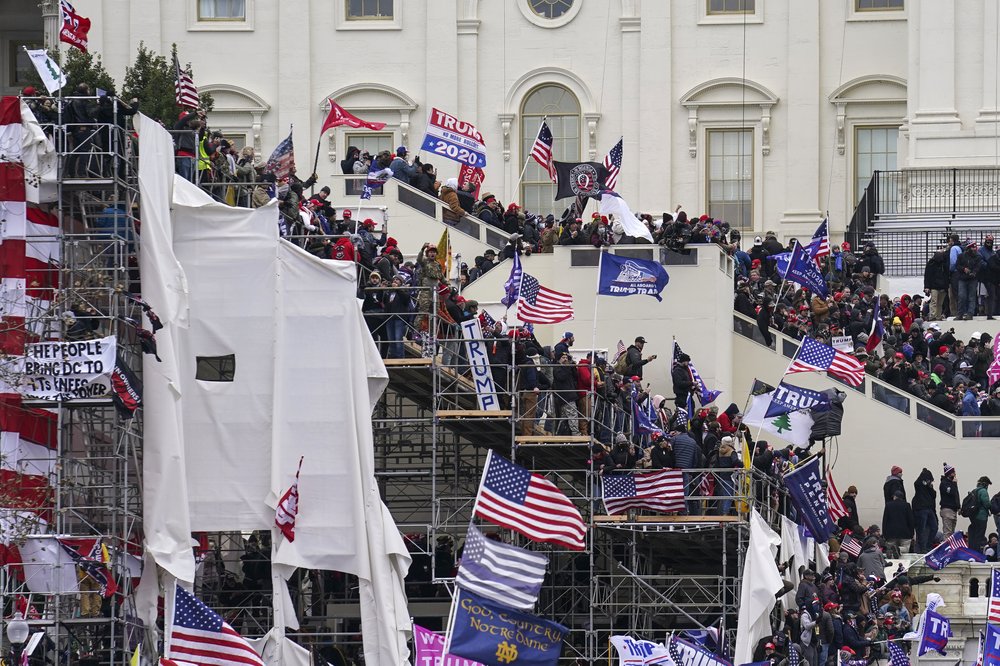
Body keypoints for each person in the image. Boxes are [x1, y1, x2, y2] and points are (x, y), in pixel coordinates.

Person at [911, 468, 938, 552]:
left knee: (934, 527)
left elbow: (934, 495)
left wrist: (930, 487)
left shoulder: (929, 488)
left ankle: (928, 545)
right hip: (921, 509)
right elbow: (917, 483)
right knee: (921, 529)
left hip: (929, 508)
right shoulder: (919, 484)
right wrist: (925, 482)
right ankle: (923, 548)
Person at [882, 490, 914, 554]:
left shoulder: (888, 505)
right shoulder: (907, 505)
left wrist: (884, 534)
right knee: (905, 549)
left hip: (891, 533)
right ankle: (898, 549)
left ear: (895, 497)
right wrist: (912, 533)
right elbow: (910, 520)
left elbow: (885, 520)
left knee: (890, 552)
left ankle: (895, 550)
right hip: (905, 533)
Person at [969, 476, 992, 551]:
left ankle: (972, 551)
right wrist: (991, 506)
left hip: (973, 516)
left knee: (974, 535)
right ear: (985, 484)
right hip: (981, 517)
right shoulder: (983, 491)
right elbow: (987, 504)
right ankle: (977, 552)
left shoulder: (974, 491)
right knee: (980, 535)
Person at [939, 463, 960, 536]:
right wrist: (954, 484)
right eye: (953, 472)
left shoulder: (952, 483)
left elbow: (956, 495)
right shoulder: (944, 483)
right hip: (947, 509)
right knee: (948, 533)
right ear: (949, 473)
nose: (955, 474)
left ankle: (950, 547)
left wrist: (958, 506)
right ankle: (947, 546)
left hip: (954, 510)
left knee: (952, 534)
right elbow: (951, 492)